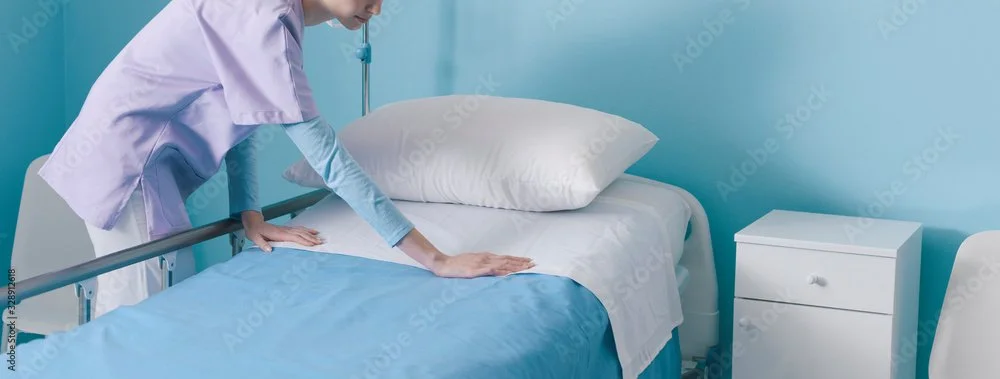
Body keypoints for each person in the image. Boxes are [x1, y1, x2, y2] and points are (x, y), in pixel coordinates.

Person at [38, 0, 534, 319]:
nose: (378, 8)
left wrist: (250, 214)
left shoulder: (271, 15)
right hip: (125, 164)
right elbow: (329, 159)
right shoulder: (265, 18)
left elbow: (244, 113)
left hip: (136, 162)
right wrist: (437, 259)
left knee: (157, 307)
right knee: (141, 315)